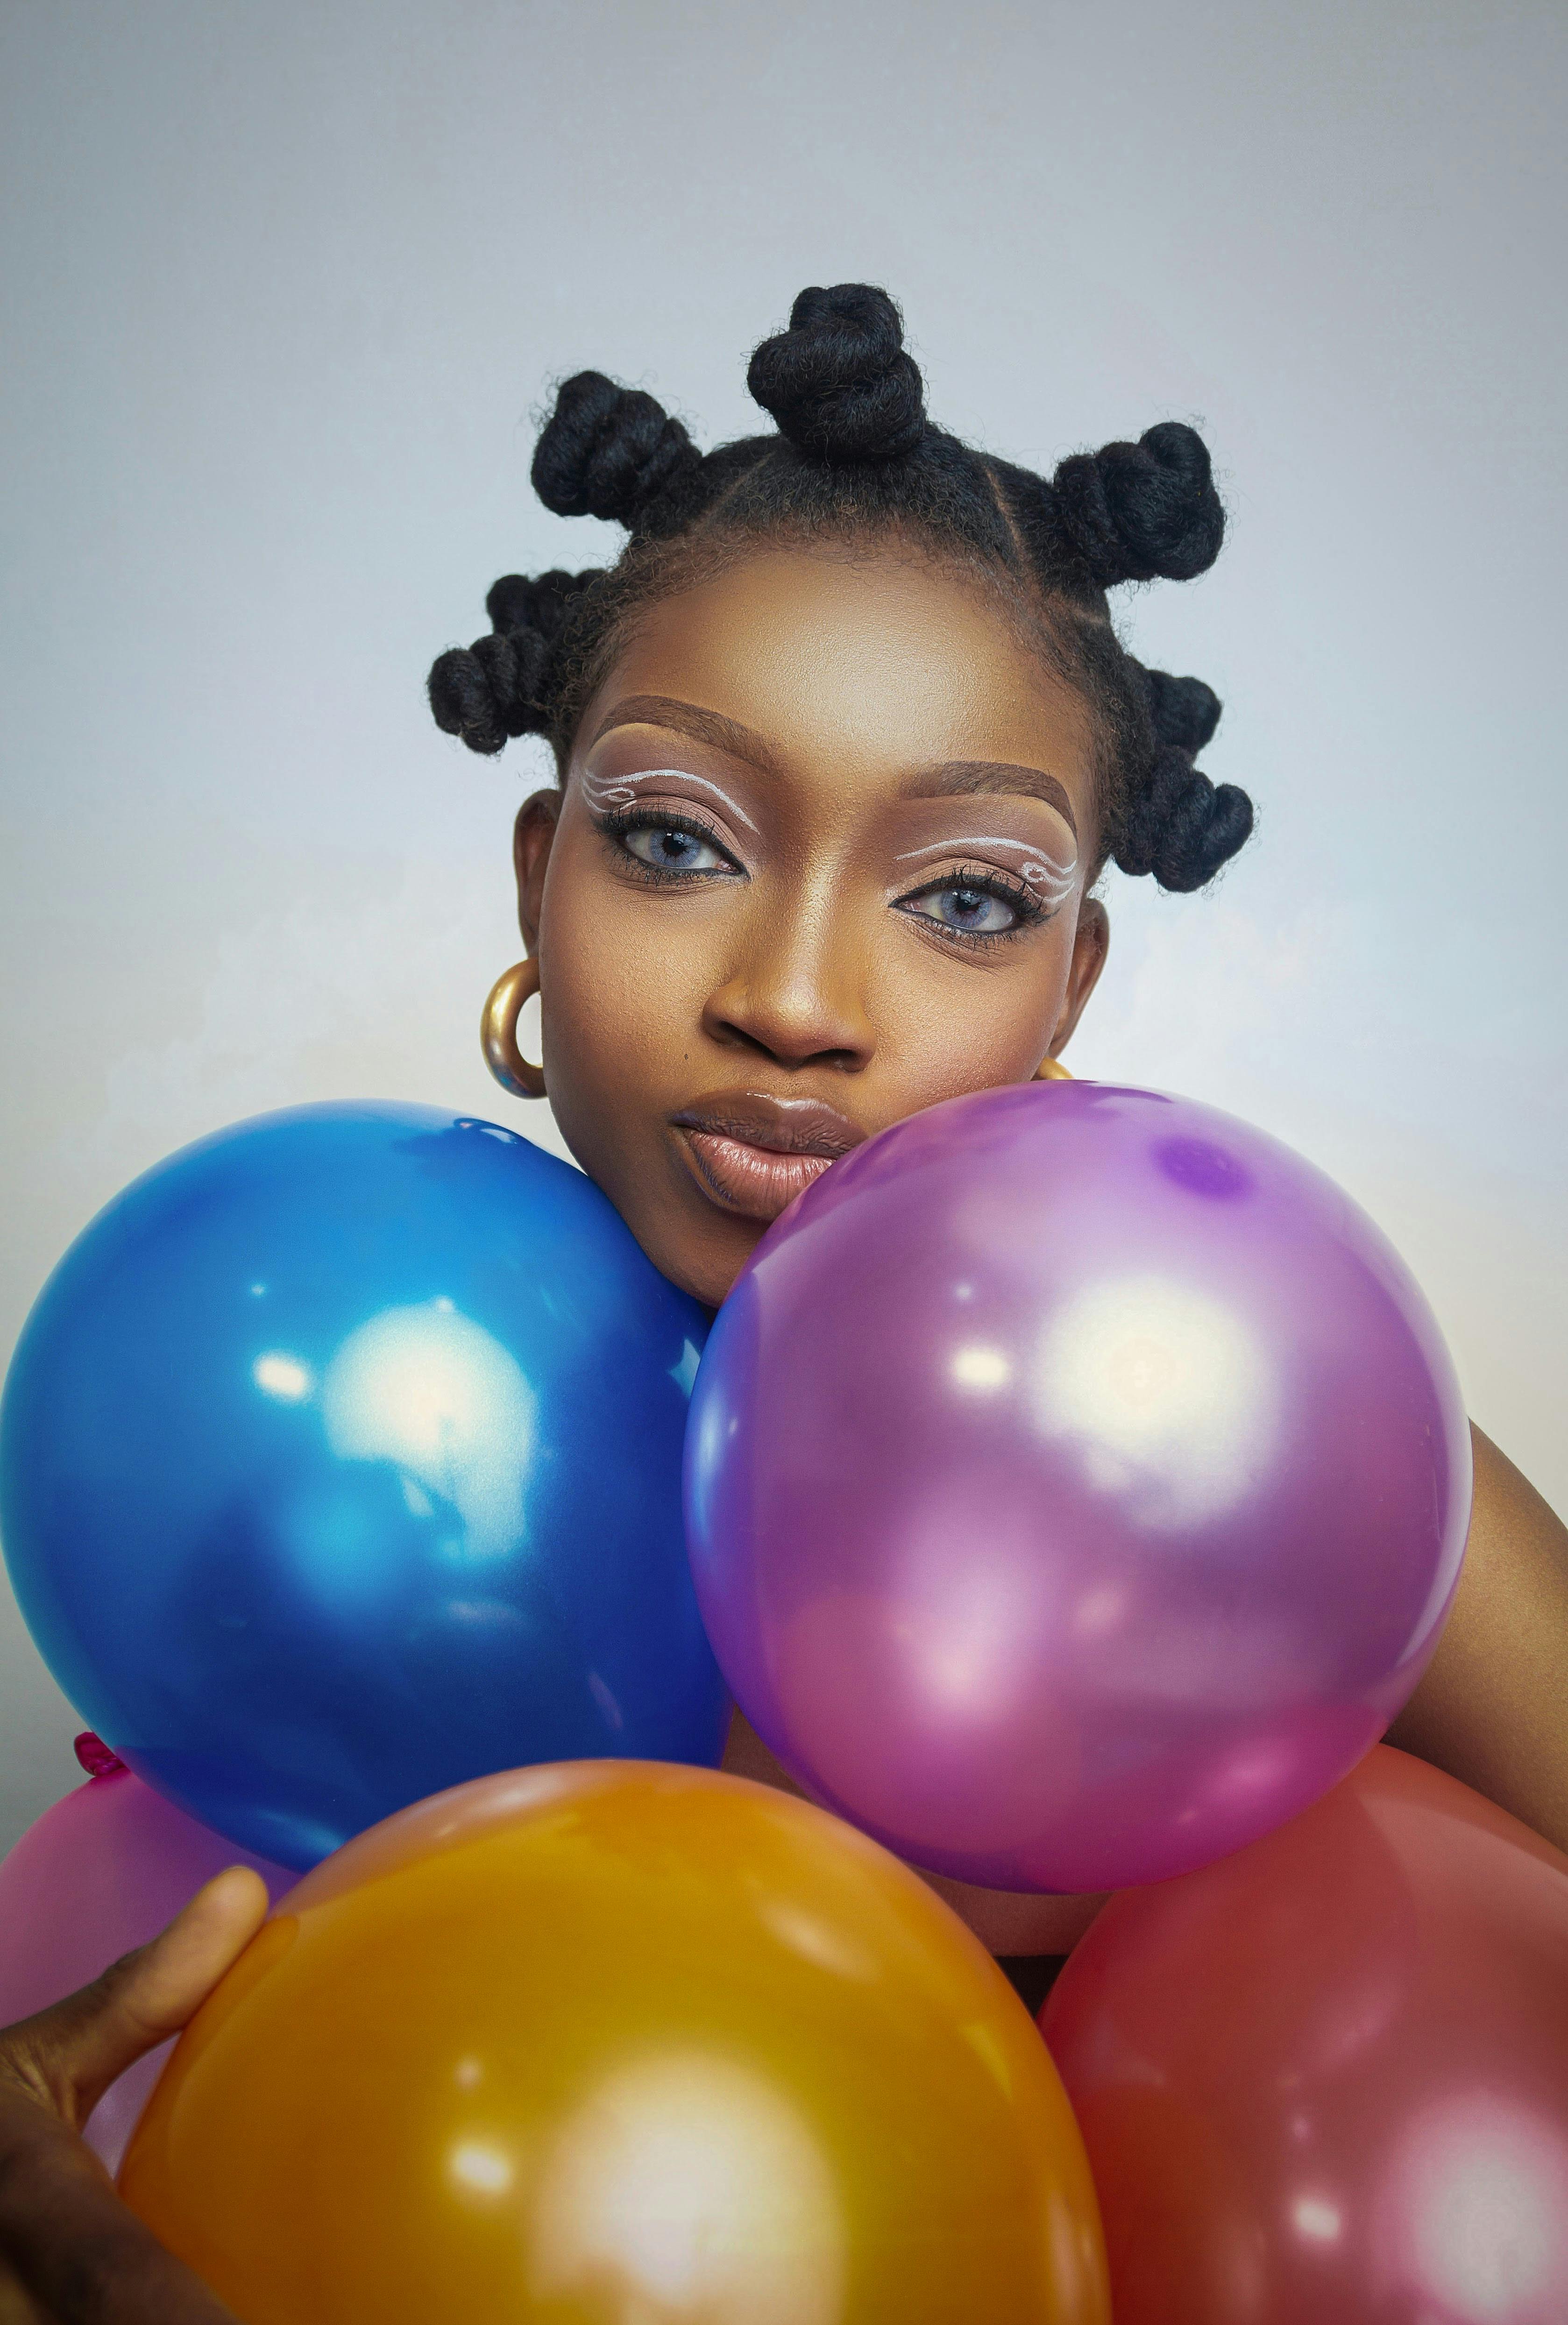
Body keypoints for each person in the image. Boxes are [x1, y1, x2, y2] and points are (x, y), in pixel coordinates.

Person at [3, 285, 1565, 2318]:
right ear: (537, 882)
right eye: (677, 842)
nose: (799, 1001)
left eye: (968, 900)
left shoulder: (1287, 1459)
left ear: (1071, 990)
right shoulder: (309, 1445)